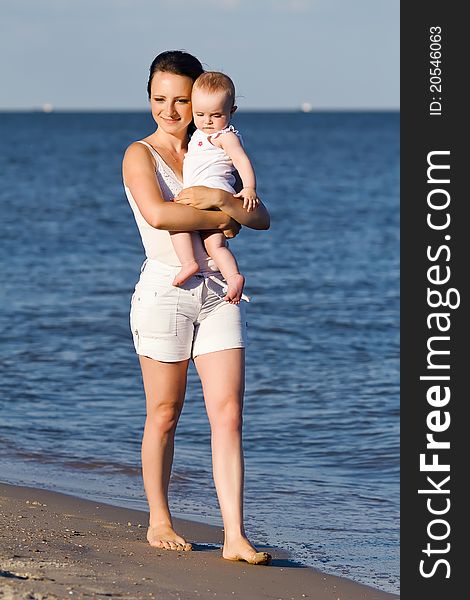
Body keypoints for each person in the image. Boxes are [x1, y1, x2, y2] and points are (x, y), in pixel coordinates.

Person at [122, 50, 271, 565]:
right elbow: (161, 214)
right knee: (164, 412)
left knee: (228, 414)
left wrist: (226, 202)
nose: (169, 110)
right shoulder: (139, 154)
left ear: (202, 100)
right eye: (158, 99)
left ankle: (234, 534)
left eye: (180, 100)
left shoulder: (216, 147)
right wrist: (220, 213)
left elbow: (261, 218)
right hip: (166, 289)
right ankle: (159, 519)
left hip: (219, 293)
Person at [170, 71, 259, 304]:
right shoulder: (200, 133)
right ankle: (211, 269)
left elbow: (242, 161)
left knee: (196, 234)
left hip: (212, 193)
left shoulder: (224, 136)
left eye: (216, 115)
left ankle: (216, 271)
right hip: (199, 195)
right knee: (198, 236)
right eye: (200, 114)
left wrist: (249, 188)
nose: (207, 121)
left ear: (232, 112)